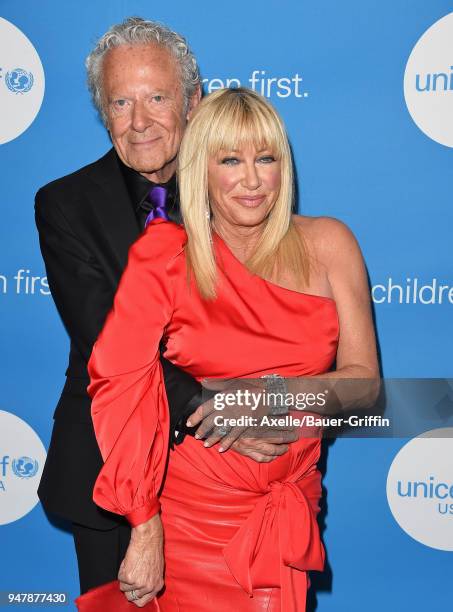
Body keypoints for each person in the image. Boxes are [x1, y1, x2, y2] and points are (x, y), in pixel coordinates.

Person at [87, 87, 379, 610]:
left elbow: (365, 385)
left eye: (265, 158)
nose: (251, 180)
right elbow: (122, 386)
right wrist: (143, 527)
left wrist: (271, 395)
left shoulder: (330, 244)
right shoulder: (163, 257)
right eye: (230, 160)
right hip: (188, 523)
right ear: (201, 168)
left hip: (285, 513)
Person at [35, 18, 292, 597]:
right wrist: (219, 414)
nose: (140, 121)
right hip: (113, 475)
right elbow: (112, 345)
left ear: (193, 100)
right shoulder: (64, 204)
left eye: (157, 97)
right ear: (103, 112)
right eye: (121, 102)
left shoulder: (238, 194)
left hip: (233, 478)